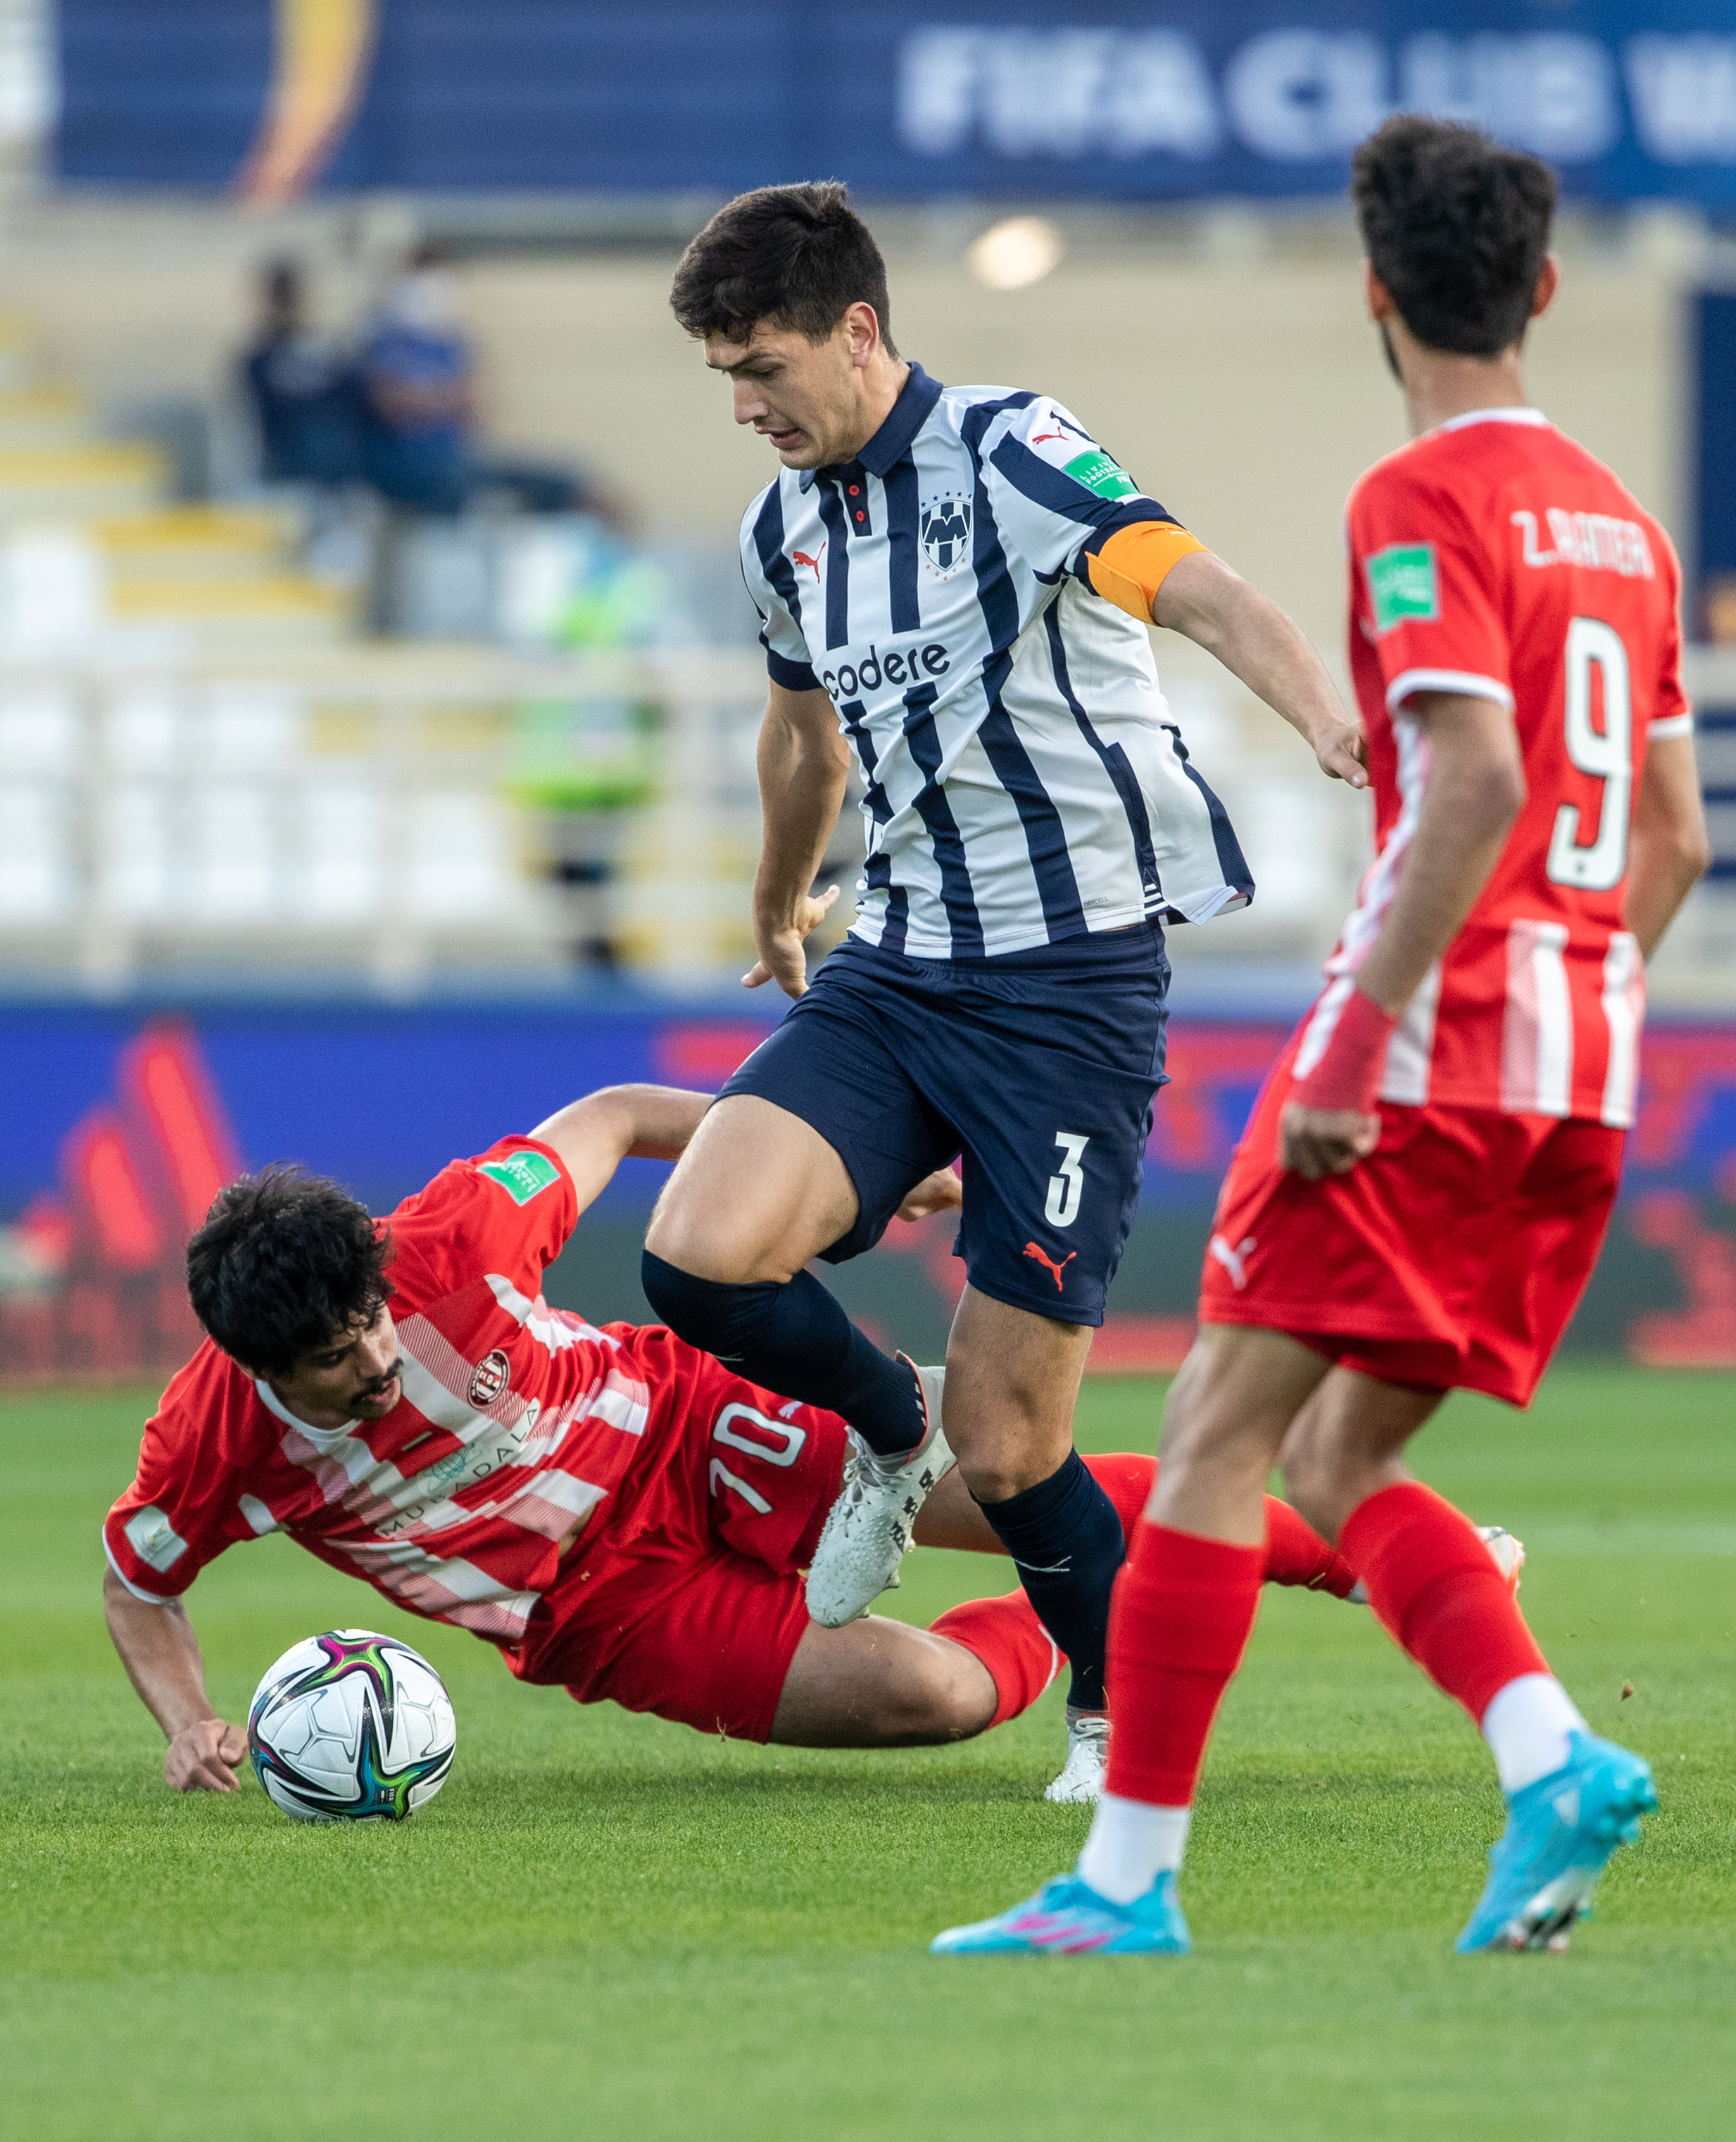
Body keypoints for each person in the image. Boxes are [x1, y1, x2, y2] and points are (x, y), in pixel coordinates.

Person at [934, 115, 1711, 1959]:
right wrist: (1568, 1006)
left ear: (1375, 294)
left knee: (1208, 1435)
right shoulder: (1627, 527)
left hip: (1426, 1053)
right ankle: (1548, 1760)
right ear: (1540, 286)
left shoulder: (1416, 499)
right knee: (1336, 1463)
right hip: (1581, 1069)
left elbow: (1474, 778)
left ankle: (1122, 1887)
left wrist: (1362, 1046)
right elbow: (1669, 834)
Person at [641, 182, 1367, 1803]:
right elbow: (802, 734)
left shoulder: (1010, 447)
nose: (745, 405)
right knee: (697, 1251)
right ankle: (878, 1442)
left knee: (1016, 1438)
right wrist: (775, 896)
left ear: (857, 330)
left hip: (1067, 991)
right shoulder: (785, 527)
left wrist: (1324, 719)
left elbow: (1193, 581)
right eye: (721, 379)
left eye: (761, 365)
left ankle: (1114, 1720)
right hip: (897, 962)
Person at [101, 1083, 1367, 1794]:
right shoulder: (213, 1435)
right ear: (260, 1366)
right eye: (333, 1361)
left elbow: (611, 1117)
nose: (376, 1360)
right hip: (599, 1608)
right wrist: (188, 1718)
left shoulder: (454, 1235)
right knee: (932, 1698)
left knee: (1008, 1472)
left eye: (373, 1323)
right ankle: (1080, 1606)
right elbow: (138, 1582)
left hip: (682, 1423)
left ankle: (1364, 1554)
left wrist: (830, 1181)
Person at [358, 246, 581, 518]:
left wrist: (426, 397)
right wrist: (447, 396)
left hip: (459, 460)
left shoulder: (454, 342)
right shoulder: (384, 337)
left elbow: (480, 399)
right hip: (404, 469)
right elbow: (390, 403)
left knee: (560, 480)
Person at [239, 260, 363, 489]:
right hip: (287, 472)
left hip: (337, 472)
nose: (287, 306)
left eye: (291, 298)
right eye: (281, 298)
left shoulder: (331, 353)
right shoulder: (258, 361)